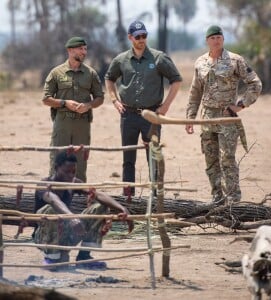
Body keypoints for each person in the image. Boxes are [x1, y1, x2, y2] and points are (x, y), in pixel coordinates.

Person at [185, 25, 262, 205]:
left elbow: (255, 84)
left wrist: (241, 105)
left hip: (227, 117)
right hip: (206, 118)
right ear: (207, 41)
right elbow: (195, 92)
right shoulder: (200, 62)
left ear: (223, 39)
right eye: (212, 37)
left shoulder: (235, 60)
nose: (216, 40)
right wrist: (190, 117)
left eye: (219, 37)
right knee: (211, 159)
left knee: (227, 158)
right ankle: (217, 198)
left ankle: (233, 201)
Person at [105, 20, 182, 196]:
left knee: (153, 157)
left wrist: (165, 106)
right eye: (138, 36)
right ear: (130, 37)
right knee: (128, 159)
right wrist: (115, 101)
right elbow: (109, 78)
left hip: (152, 115)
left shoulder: (158, 58)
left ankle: (155, 199)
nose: (142, 39)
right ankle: (128, 199)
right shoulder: (121, 60)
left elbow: (176, 80)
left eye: (144, 36)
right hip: (128, 115)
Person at [33, 150, 132, 270]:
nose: (70, 176)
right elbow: (54, 201)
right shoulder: (44, 185)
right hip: (44, 236)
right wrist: (72, 218)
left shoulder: (74, 183)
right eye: (66, 172)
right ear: (56, 168)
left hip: (67, 233)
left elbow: (97, 194)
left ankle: (84, 257)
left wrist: (122, 208)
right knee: (50, 209)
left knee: (100, 207)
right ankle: (52, 258)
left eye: (73, 172)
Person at [42, 36, 104, 182]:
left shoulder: (91, 74)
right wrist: (65, 103)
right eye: (80, 49)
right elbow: (46, 99)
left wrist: (88, 105)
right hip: (62, 123)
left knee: (80, 161)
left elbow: (100, 98)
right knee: (58, 158)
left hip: (82, 124)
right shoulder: (56, 73)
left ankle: (79, 198)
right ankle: (55, 193)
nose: (84, 52)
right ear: (70, 50)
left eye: (85, 49)